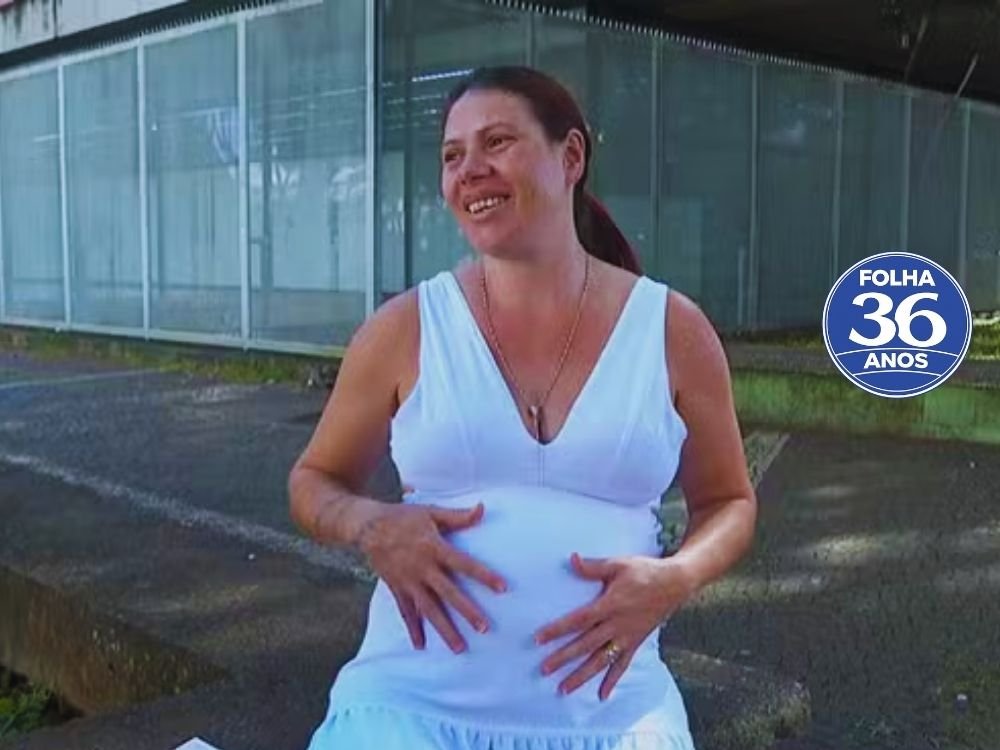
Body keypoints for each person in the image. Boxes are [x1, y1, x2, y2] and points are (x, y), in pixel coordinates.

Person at [288, 65, 757, 750]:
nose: (470, 170)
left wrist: (675, 577)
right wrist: (369, 523)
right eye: (452, 155)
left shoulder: (673, 330)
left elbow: (729, 501)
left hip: (614, 719)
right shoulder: (403, 329)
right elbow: (314, 481)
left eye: (497, 142)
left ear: (571, 157)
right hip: (406, 711)